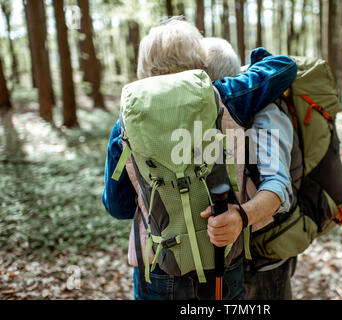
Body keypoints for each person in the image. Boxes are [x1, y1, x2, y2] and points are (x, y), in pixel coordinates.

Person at [102, 18, 298, 300]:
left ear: (147, 69)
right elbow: (285, 67)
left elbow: (118, 206)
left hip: (158, 266)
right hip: (222, 257)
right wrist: (255, 61)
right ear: (199, 63)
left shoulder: (125, 123)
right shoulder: (226, 96)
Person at [200, 37, 300, 300]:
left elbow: (278, 185)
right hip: (233, 251)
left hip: (267, 255)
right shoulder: (204, 117)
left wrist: (240, 217)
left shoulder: (265, 112)